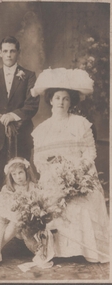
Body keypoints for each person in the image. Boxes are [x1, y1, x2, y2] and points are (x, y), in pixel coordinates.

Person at [31, 68, 109, 263]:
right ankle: (57, 251)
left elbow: (90, 151)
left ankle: (86, 250)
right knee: (52, 199)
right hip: (54, 176)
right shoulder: (42, 130)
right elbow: (39, 159)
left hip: (79, 175)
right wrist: (54, 172)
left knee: (83, 201)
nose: (61, 102)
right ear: (50, 100)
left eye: (65, 98)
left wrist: (77, 171)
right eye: (57, 98)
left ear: (71, 101)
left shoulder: (81, 124)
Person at [0, 36, 39, 201]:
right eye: (5, 51)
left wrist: (12, 116)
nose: (8, 55)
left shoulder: (28, 76)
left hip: (21, 137)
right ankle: (0, 220)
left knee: (22, 180)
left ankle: (24, 218)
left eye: (12, 51)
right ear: (0, 53)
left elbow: (32, 104)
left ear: (18, 53)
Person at [0, 157, 38, 262]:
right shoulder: (8, 188)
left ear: (26, 172)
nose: (18, 177)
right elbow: (3, 203)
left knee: (17, 217)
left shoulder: (33, 187)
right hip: (10, 219)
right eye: (14, 174)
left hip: (25, 221)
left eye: (20, 173)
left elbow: (35, 204)